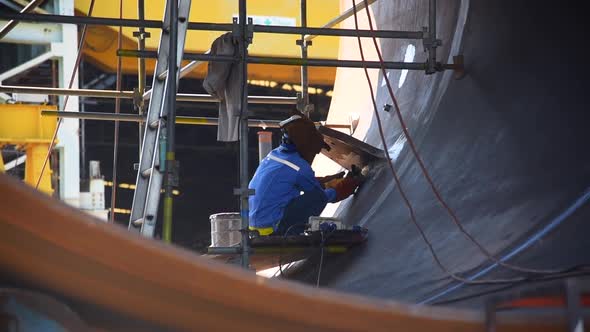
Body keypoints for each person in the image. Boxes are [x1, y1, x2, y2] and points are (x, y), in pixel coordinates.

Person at [248, 112, 361, 236]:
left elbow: (289, 182)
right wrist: (344, 187)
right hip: (273, 230)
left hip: (256, 228)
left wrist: (326, 180)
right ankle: (291, 232)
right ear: (307, 146)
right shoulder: (299, 166)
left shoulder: (275, 155)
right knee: (317, 197)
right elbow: (319, 196)